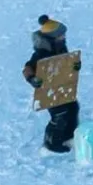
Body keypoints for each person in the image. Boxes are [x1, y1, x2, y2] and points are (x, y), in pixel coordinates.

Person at [23, 16, 80, 155]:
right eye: (61, 36)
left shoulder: (60, 48)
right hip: (49, 91)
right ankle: (52, 143)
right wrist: (32, 78)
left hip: (62, 87)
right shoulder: (41, 54)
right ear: (52, 38)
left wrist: (74, 66)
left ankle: (69, 136)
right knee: (59, 115)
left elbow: (65, 63)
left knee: (73, 108)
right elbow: (27, 68)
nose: (64, 38)